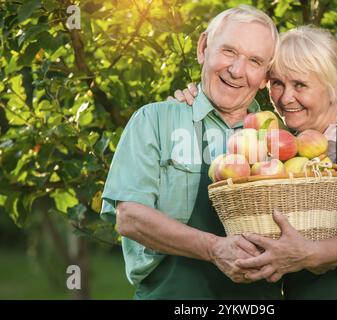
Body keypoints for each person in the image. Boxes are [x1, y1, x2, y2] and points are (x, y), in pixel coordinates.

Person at [172, 26, 337, 300]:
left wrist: (305, 255)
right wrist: (192, 103)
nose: (285, 98)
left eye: (300, 85)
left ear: (336, 86)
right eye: (277, 83)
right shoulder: (279, 145)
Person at [100, 5, 283, 299]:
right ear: (203, 48)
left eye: (254, 61)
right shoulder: (156, 120)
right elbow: (129, 217)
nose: (236, 70)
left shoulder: (280, 139)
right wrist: (214, 249)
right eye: (228, 51)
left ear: (265, 77)